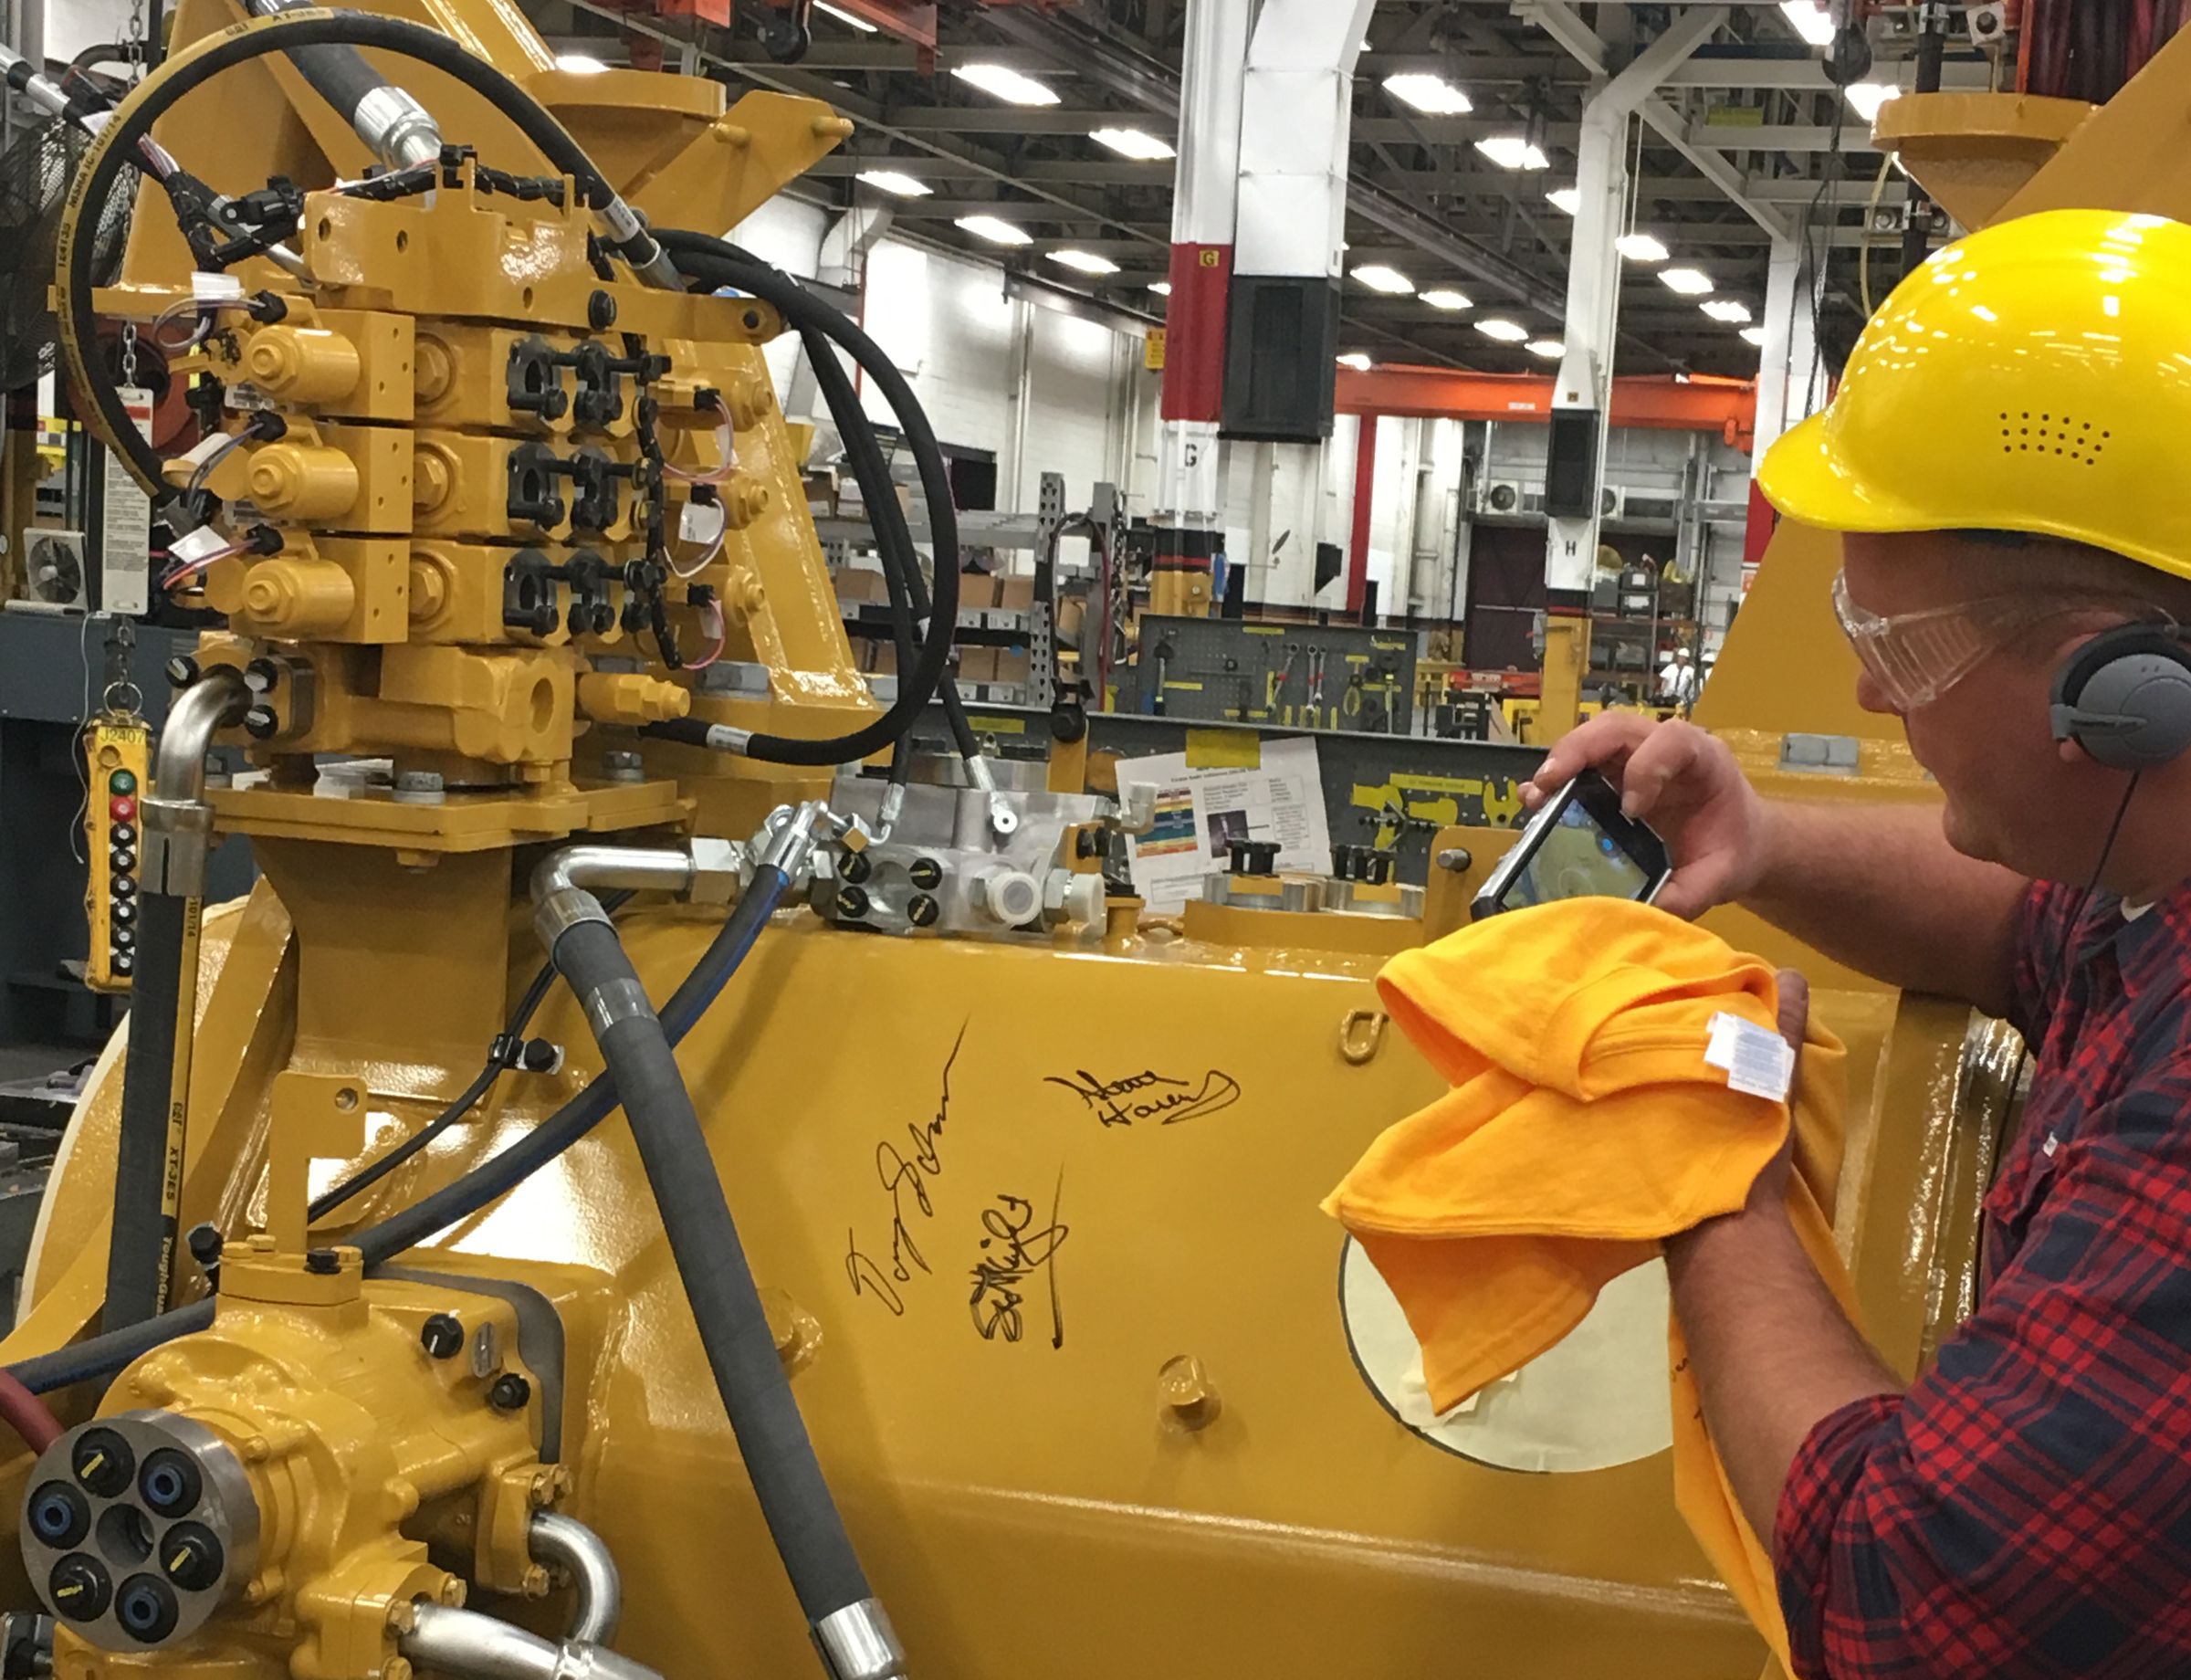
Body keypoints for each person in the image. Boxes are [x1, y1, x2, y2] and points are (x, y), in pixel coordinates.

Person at [1522, 207, 2191, 1678]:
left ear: (2127, 692)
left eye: (1902, 651)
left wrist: (1711, 1167)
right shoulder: (2157, 877)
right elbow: (2042, 931)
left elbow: (1912, 1596)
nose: (1878, 704)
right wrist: (1758, 847)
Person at [1656, 645, 1699, 709]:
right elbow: (1664, 680)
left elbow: (1694, 683)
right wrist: (1661, 691)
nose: (1683, 660)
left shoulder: (1690, 670)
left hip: (1682, 700)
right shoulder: (1670, 668)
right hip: (1668, 697)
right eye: (1682, 658)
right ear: (1678, 658)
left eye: (1685, 658)